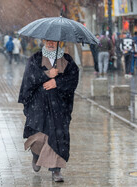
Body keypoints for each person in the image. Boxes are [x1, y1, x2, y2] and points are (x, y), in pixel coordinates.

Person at [18, 40, 79, 182]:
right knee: (38, 136)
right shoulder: (35, 59)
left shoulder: (67, 60)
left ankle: (56, 170)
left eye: (54, 41)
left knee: (58, 136)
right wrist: (47, 74)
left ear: (59, 42)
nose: (50, 44)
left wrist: (57, 82)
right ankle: (36, 154)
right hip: (38, 106)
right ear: (44, 41)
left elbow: (73, 79)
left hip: (59, 107)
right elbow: (29, 79)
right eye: (48, 41)